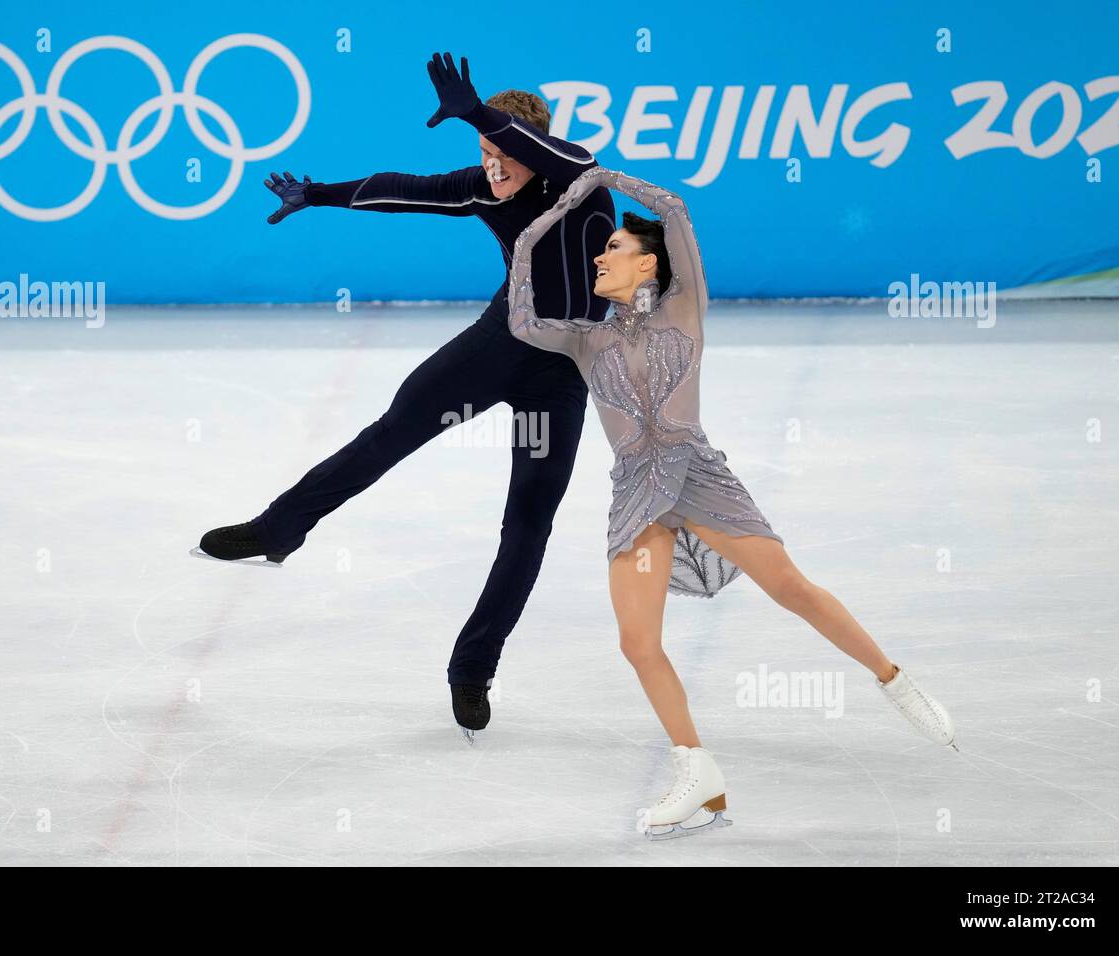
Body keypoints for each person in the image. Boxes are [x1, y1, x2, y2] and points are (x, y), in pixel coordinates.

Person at [506, 165, 958, 839]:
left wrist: (606, 178)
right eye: (599, 251)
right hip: (636, 494)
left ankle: (893, 679)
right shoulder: (584, 337)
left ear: (648, 264)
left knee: (792, 589)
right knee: (637, 642)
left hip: (699, 477)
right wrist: (541, 223)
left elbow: (677, 212)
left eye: (614, 250)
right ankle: (698, 772)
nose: (600, 256)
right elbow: (519, 319)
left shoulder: (685, 306)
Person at [195, 54, 616, 741]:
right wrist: (320, 194)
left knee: (529, 520)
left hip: (559, 373)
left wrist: (486, 115)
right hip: (497, 346)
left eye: (504, 153)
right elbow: (404, 188)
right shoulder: (484, 187)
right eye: (483, 154)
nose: (494, 167)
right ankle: (280, 527)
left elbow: (546, 153)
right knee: (388, 435)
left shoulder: (581, 180)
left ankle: (473, 667)